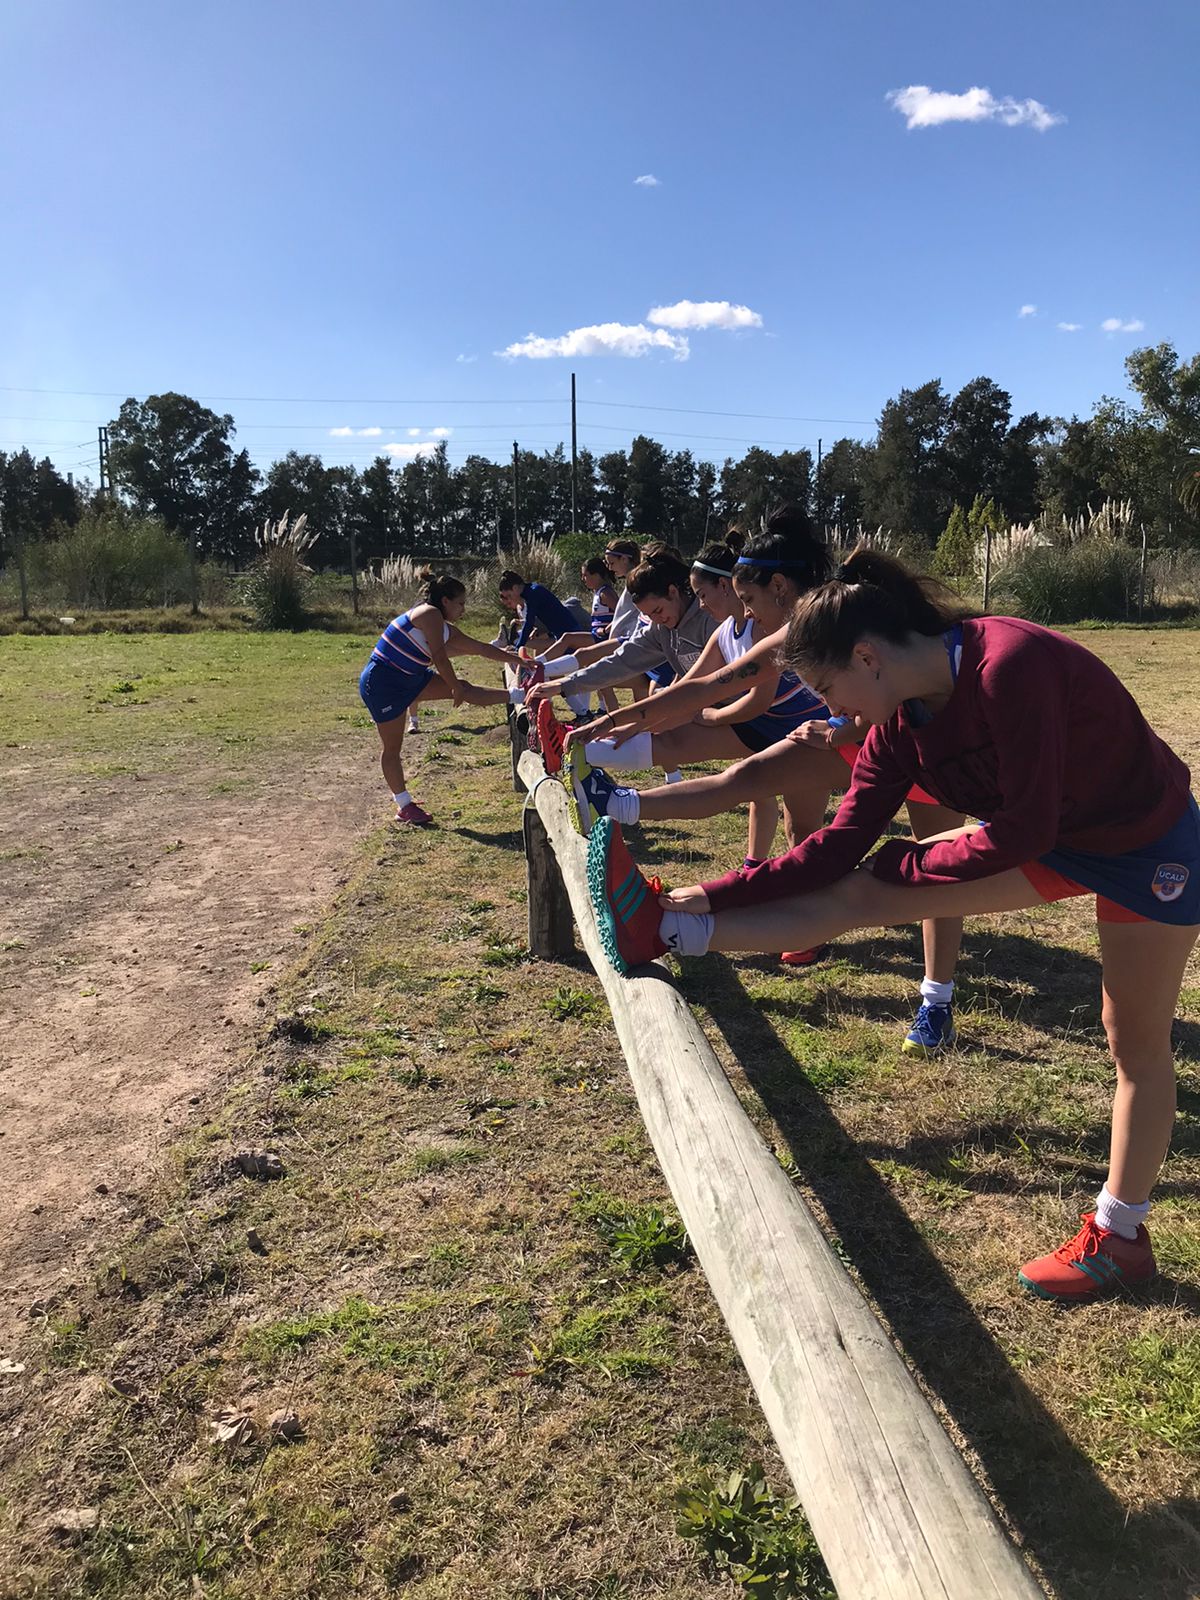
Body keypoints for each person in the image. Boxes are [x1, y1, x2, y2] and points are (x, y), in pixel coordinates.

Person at [587, 546, 1200, 1301]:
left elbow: (1023, 830)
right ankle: (670, 933)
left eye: (829, 690)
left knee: (1132, 1037)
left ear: (868, 657)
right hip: (1052, 833)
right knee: (860, 886)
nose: (834, 717)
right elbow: (833, 850)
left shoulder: (1011, 665)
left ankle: (1121, 1236)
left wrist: (898, 870)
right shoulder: (897, 727)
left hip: (1144, 842)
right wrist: (709, 895)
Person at [526, 546, 719, 783]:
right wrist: (566, 685)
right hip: (711, 705)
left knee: (663, 739)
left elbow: (697, 689)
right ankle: (574, 751)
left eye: (658, 610)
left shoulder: (710, 622)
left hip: (742, 708)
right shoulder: (662, 629)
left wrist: (626, 721)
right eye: (650, 616)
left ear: (673, 592)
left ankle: (574, 753)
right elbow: (621, 661)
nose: (657, 620)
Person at [358, 571, 522, 828]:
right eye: (460, 603)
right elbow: (439, 657)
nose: (463, 610)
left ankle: (520, 696)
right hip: (383, 684)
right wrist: (453, 687)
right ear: (445, 601)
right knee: (392, 749)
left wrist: (519, 660)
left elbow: (481, 649)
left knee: (465, 688)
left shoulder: (447, 629)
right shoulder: (429, 614)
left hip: (410, 678)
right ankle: (404, 806)